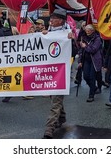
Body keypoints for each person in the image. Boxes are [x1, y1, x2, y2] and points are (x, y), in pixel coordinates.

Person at [42, 9, 74, 139]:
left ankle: (49, 128)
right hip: (49, 70)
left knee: (56, 99)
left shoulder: (67, 34)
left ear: (60, 20)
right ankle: (62, 117)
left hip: (61, 71)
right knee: (54, 97)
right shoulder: (48, 32)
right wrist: (42, 35)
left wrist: (72, 41)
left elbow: (74, 52)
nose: (51, 20)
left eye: (54, 18)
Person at [78, 24, 104, 102]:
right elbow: (81, 51)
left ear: (92, 31)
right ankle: (94, 88)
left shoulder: (97, 39)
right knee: (86, 76)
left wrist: (85, 46)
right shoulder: (84, 38)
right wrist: (79, 61)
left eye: (88, 30)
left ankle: (91, 95)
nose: (87, 32)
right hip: (86, 60)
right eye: (86, 30)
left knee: (92, 77)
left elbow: (93, 50)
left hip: (94, 60)